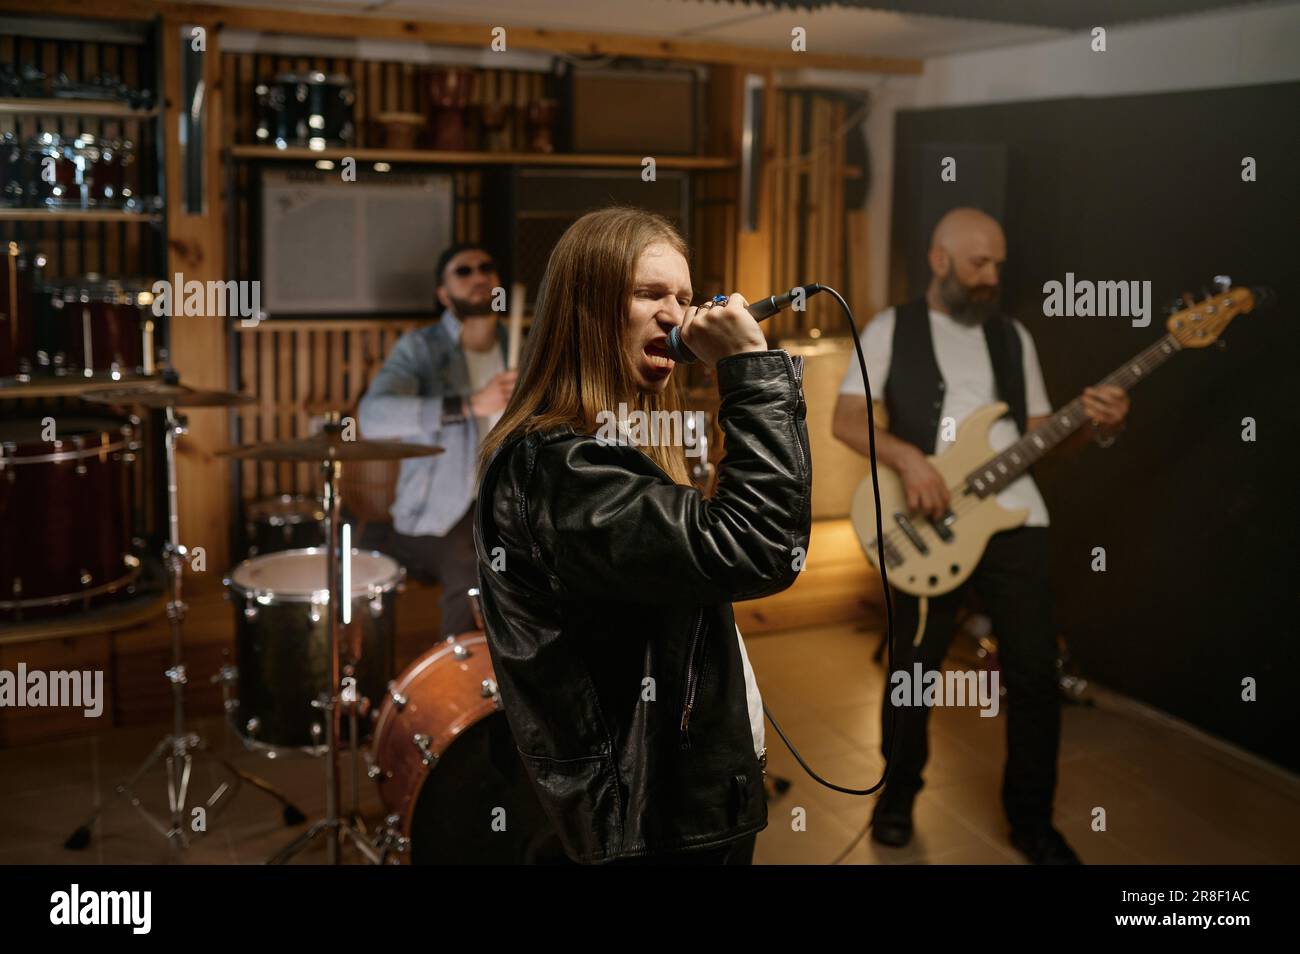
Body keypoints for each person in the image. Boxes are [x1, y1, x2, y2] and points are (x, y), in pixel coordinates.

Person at [473, 206, 812, 864]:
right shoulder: (560, 467)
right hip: (642, 825)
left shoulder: (620, 444)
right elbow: (760, 546)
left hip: (674, 805)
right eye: (648, 293)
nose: (676, 315)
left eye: (684, 298)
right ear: (587, 309)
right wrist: (750, 370)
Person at [831, 207, 1130, 865]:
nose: (992, 275)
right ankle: (897, 799)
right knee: (913, 671)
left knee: (1031, 673)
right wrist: (910, 460)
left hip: (1017, 520)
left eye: (997, 262)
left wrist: (1096, 425)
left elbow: (1042, 433)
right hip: (929, 520)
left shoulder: (1010, 337)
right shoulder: (891, 329)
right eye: (979, 263)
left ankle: (1032, 822)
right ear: (939, 260)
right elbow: (846, 421)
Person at [357, 243, 517, 635]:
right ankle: (459, 686)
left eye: (486, 267)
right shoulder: (421, 349)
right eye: (464, 272)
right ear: (444, 295)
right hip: (435, 516)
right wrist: (468, 404)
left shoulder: (523, 350)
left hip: (506, 502)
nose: (479, 276)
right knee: (471, 562)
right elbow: (372, 417)